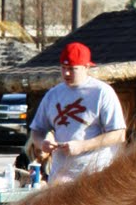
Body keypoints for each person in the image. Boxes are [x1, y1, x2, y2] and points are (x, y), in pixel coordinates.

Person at [28, 41, 126, 184]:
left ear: (86, 67)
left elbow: (119, 134)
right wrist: (43, 143)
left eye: (72, 69)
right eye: (63, 68)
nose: (66, 73)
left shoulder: (102, 92)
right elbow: (37, 130)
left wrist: (82, 146)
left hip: (95, 174)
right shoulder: (53, 94)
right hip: (60, 176)